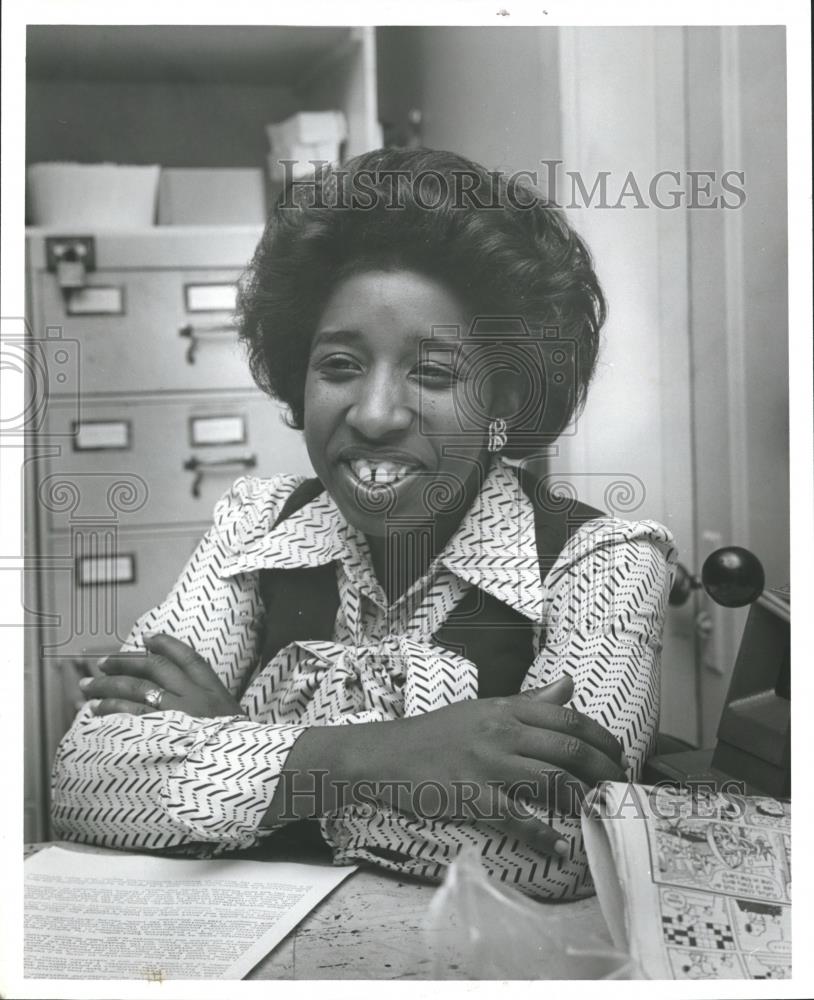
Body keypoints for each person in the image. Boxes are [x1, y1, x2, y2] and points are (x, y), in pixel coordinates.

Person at [51, 148, 676, 901]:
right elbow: (87, 780)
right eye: (340, 365)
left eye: (434, 374)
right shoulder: (253, 524)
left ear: (505, 402)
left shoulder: (603, 563)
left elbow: (563, 852)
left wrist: (233, 744)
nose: (374, 414)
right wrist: (382, 754)